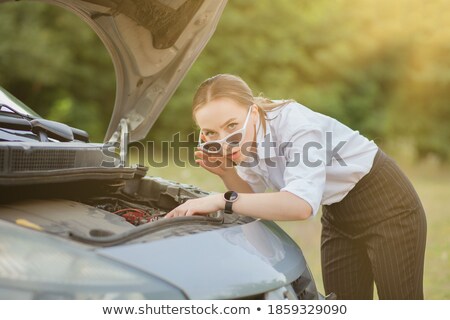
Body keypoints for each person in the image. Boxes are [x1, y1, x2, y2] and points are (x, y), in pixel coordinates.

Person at [165, 74, 427, 300]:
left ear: (253, 113)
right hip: (338, 213)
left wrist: (222, 199)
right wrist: (227, 174)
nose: (225, 143)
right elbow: (250, 200)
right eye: (210, 134)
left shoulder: (297, 127)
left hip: (385, 202)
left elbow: (300, 206)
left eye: (232, 126)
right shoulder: (247, 141)